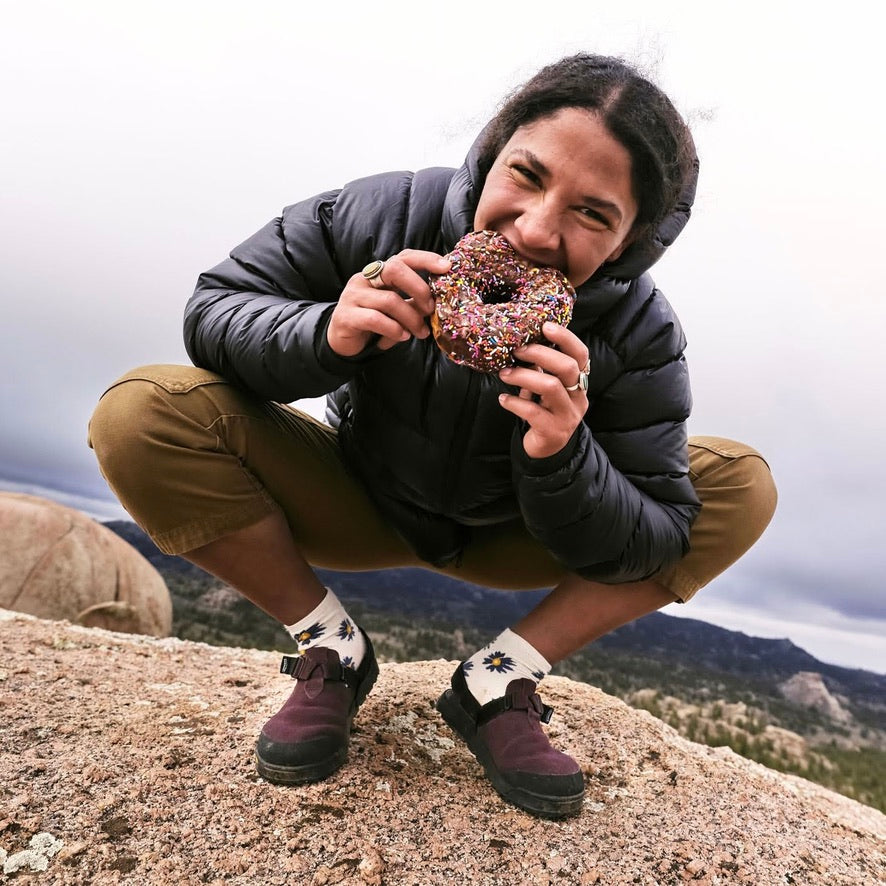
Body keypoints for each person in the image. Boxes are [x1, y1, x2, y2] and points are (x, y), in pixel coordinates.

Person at [88, 53, 777, 819]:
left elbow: (654, 539)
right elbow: (217, 306)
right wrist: (326, 331)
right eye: (527, 175)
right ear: (490, 154)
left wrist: (565, 454)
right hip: (358, 494)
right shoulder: (382, 214)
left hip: (517, 531)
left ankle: (497, 681)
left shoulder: (641, 331)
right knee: (142, 410)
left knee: (740, 484)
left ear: (630, 240)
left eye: (594, 213)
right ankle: (331, 649)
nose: (538, 228)